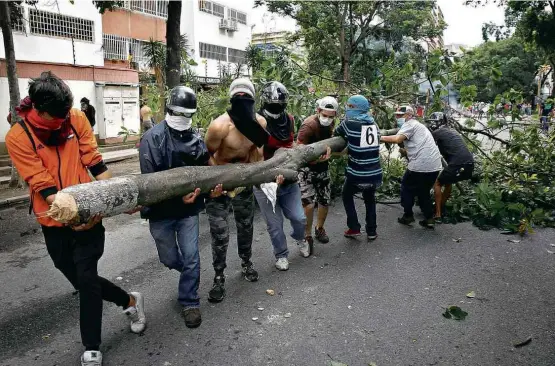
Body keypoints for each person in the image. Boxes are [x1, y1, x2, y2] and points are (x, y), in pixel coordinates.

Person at [5, 72, 146, 366]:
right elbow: (43, 185)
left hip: (89, 216)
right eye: (56, 116)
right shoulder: (19, 137)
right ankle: (129, 301)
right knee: (81, 279)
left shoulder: (75, 119)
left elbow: (94, 162)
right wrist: (73, 217)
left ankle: (91, 345)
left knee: (85, 277)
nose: (62, 121)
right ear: (38, 110)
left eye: (65, 114)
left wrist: (120, 198)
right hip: (53, 219)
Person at [139, 86, 223, 328]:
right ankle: (188, 273)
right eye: (179, 113)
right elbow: (149, 184)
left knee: (191, 256)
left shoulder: (195, 139)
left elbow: (208, 170)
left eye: (189, 115)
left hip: (188, 211)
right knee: (169, 258)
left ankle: (190, 301)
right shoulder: (152, 139)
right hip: (161, 212)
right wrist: (177, 198)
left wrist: (214, 188)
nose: (183, 119)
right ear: (168, 110)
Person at [203, 78, 269, 302]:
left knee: (245, 226)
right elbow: (206, 156)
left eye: (247, 99)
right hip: (219, 185)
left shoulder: (260, 122)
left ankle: (246, 262)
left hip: (243, 183)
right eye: (238, 98)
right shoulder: (219, 126)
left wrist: (255, 176)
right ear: (231, 100)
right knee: (220, 233)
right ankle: (219, 276)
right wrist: (219, 183)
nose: (243, 102)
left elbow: (257, 155)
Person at [253, 81, 309, 271]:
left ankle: (300, 238)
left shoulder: (290, 120)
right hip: (265, 181)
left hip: (289, 179)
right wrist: (270, 175)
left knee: (299, 218)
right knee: (275, 225)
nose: (276, 108)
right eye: (273, 104)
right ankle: (281, 254)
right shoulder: (256, 121)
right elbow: (253, 154)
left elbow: (290, 146)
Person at [380, 105, 442, 229]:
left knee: (406, 187)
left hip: (420, 165)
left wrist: (378, 137)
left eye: (400, 115)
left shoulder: (410, 124)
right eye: (396, 115)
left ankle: (408, 215)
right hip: (435, 164)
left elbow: (398, 139)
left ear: (408, 115)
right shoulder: (420, 126)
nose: (397, 117)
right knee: (423, 191)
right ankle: (429, 219)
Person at [334, 95, 383, 240]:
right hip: (375, 173)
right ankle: (372, 231)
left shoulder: (348, 123)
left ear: (356, 108)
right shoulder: (374, 124)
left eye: (350, 106)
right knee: (370, 199)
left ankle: (354, 227)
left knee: (346, 195)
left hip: (357, 174)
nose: (348, 108)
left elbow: (336, 134)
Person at [297, 96, 337, 246]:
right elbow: (298, 149)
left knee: (324, 201)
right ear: (318, 111)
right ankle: (307, 234)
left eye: (330, 116)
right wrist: (315, 159)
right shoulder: (309, 125)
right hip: (307, 168)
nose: (327, 119)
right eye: (324, 115)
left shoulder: (332, 123)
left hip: (323, 167)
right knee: (307, 204)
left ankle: (319, 228)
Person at [426, 112, 474, 221]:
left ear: (436, 122)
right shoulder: (453, 131)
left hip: (457, 163)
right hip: (470, 164)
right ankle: (441, 207)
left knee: (437, 183)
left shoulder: (437, 132)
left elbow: (428, 148)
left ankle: (437, 214)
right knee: (448, 182)